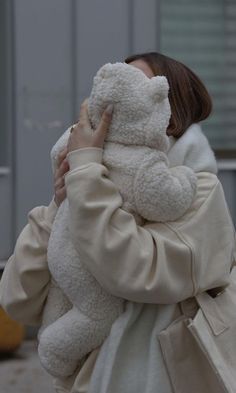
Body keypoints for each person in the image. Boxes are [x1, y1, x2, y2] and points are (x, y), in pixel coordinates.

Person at [0, 52, 235, 393]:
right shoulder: (90, 178)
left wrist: (86, 178)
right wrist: (60, 204)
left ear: (167, 111)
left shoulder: (197, 188)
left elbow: (136, 272)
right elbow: (18, 297)